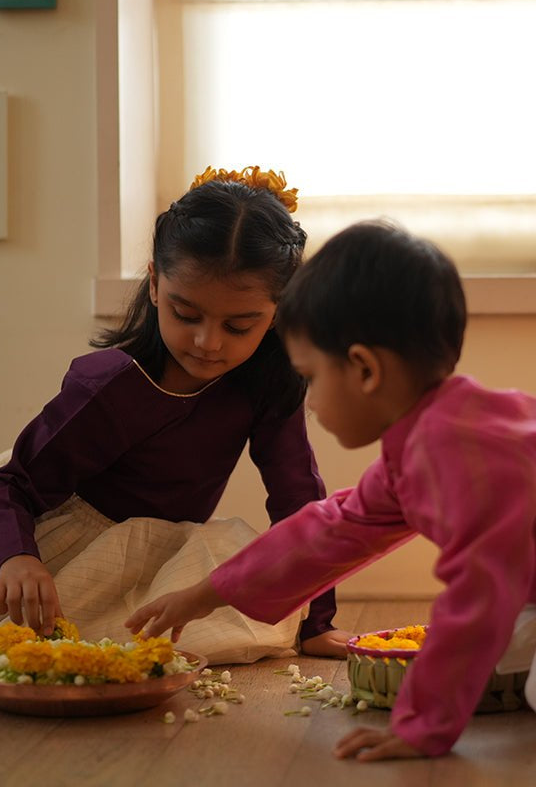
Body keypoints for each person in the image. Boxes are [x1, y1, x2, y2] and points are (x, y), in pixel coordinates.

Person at [125, 219, 536, 760]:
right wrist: (205, 595)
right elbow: (328, 532)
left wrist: (422, 725)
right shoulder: (429, 442)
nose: (310, 402)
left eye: (311, 376)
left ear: (364, 369)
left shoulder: (451, 453)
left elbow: (477, 598)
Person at [0, 165, 351, 659]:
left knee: (243, 577)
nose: (208, 343)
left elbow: (299, 502)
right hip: (66, 549)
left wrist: (317, 623)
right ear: (155, 286)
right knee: (47, 640)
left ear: (278, 312)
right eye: (186, 315)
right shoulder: (109, 385)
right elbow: (11, 484)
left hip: (166, 559)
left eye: (239, 326)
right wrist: (17, 557)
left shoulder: (268, 385)